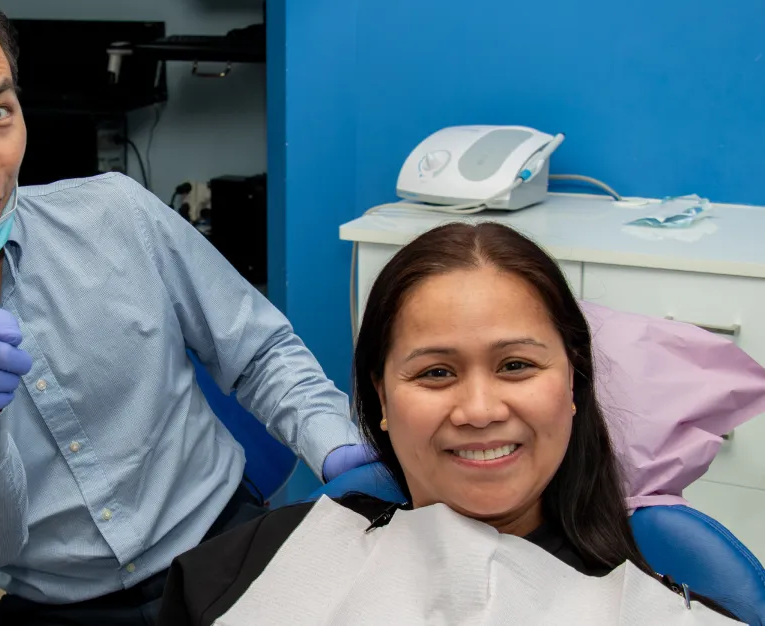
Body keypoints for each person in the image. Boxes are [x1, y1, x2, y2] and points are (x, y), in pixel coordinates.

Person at [0, 0, 372, 625]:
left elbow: (256, 349)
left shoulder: (116, 215)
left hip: (230, 554)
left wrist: (335, 443)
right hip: (63, 609)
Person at [157, 222, 739, 624]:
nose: (480, 409)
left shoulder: (667, 613)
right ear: (380, 398)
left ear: (573, 385)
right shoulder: (242, 571)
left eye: (516, 365)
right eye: (436, 373)